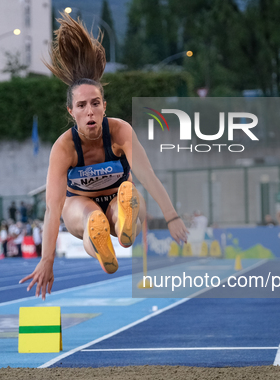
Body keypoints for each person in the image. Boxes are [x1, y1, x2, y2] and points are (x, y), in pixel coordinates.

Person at [20, 14, 188, 299]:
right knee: (89, 219)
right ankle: (100, 240)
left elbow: (148, 177)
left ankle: (123, 221)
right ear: (71, 112)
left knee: (127, 197)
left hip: (118, 196)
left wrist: (172, 216)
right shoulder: (64, 147)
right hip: (80, 203)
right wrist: (46, 260)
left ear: (104, 106)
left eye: (95, 103)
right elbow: (52, 207)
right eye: (82, 105)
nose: (89, 111)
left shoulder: (120, 132)